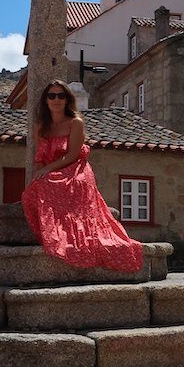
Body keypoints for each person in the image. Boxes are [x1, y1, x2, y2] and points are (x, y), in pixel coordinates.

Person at [21, 79, 144, 272]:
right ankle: (55, 236)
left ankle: (72, 237)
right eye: (51, 95)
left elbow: (72, 155)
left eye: (61, 95)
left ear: (67, 99)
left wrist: (49, 169)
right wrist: (40, 171)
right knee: (33, 191)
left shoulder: (75, 122)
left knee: (58, 184)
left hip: (75, 168)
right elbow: (40, 155)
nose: (56, 99)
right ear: (45, 100)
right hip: (54, 169)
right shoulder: (40, 127)